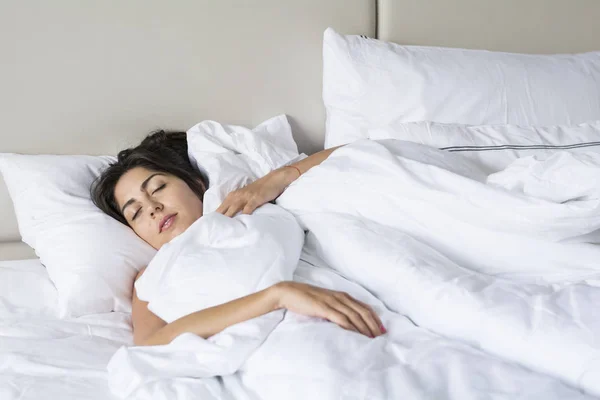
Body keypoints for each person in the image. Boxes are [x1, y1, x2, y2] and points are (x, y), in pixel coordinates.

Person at [91, 130, 385, 346]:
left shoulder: (251, 208)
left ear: (194, 182)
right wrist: (275, 296)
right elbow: (152, 343)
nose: (153, 208)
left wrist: (274, 180)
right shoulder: (151, 275)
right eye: (136, 212)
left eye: (157, 188)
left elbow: (359, 152)